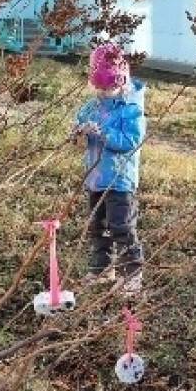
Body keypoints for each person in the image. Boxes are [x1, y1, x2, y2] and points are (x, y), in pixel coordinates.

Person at [73, 43, 146, 296]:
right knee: (98, 226)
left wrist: (103, 132)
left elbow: (131, 142)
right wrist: (78, 133)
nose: (104, 93)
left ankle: (131, 274)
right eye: (100, 88)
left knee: (121, 226)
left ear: (122, 82)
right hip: (96, 179)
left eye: (110, 88)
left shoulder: (131, 110)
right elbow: (77, 133)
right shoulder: (90, 108)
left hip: (119, 180)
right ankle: (102, 268)